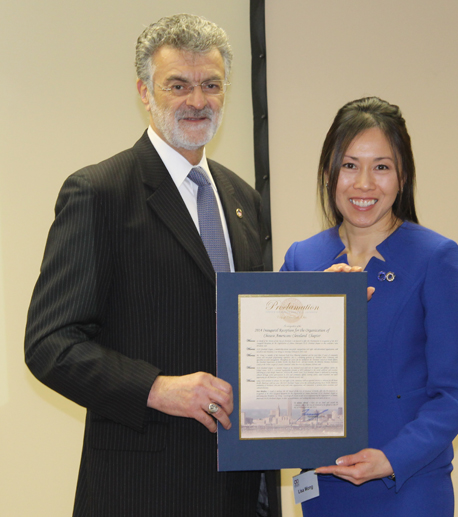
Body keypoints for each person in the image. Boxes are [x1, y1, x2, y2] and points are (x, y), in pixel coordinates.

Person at [25, 14, 279, 517]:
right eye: (177, 85)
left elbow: (254, 329)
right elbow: (50, 344)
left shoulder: (244, 200)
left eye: (211, 84)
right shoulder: (99, 193)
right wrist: (157, 388)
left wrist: (328, 305)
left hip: (239, 490)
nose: (197, 100)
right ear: (145, 92)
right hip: (141, 490)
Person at [280, 97, 458, 516]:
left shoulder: (435, 257)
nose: (364, 183)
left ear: (402, 176)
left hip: (406, 487)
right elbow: (277, 375)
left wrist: (392, 458)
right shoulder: (302, 259)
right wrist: (314, 305)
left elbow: (456, 393)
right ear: (329, 172)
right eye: (350, 165)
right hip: (323, 489)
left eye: (381, 167)